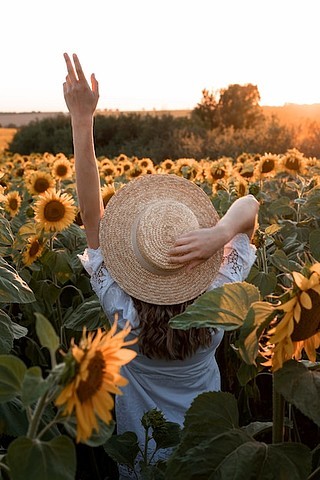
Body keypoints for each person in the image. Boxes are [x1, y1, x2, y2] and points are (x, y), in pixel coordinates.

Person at [63, 53, 259, 479]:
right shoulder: (218, 301)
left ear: (134, 260)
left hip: (142, 460)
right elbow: (250, 207)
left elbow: (91, 214)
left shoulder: (122, 311)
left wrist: (82, 119)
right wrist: (220, 234)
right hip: (205, 455)